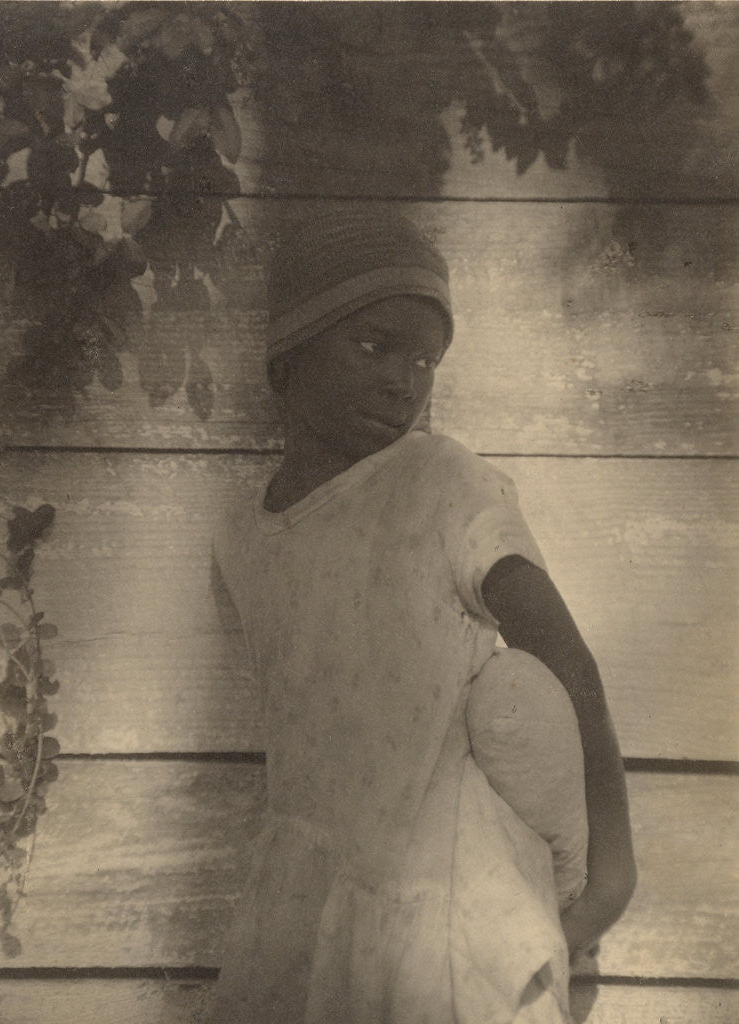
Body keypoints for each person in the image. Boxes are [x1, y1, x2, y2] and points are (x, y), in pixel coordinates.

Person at [210, 206, 636, 1024]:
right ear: (287, 354)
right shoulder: (241, 531)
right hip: (306, 890)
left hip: (447, 900)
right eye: (373, 346)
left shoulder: (440, 483)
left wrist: (609, 880)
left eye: (424, 360)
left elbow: (567, 663)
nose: (402, 381)